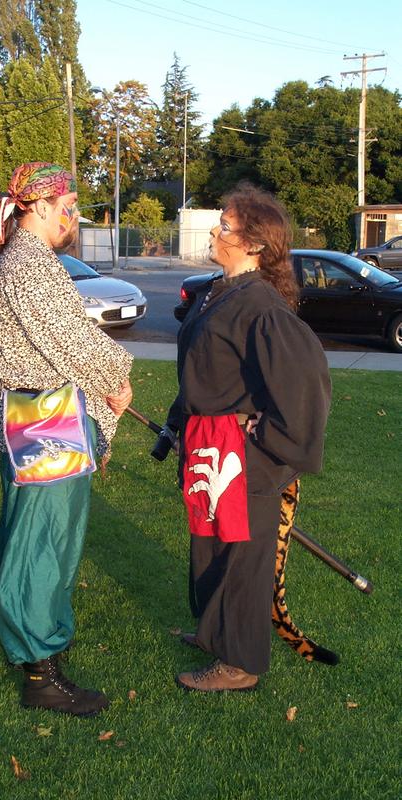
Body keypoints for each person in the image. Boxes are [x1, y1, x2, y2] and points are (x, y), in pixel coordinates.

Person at [0, 162, 133, 716]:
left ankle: (45, 644)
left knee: (54, 538)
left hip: (49, 414)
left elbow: (68, 338)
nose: (73, 216)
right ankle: (40, 673)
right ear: (40, 207)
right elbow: (72, 340)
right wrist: (116, 377)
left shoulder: (33, 258)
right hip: (42, 419)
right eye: (67, 206)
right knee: (39, 544)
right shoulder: (28, 263)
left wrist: (105, 381)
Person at [168, 183, 331, 692]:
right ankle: (215, 634)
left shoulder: (262, 307)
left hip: (243, 460)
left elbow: (304, 384)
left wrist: (266, 433)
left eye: (225, 226)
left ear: (255, 244)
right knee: (211, 548)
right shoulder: (221, 291)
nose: (214, 233)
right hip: (210, 446)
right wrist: (178, 425)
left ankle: (239, 663)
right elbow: (203, 371)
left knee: (240, 559)